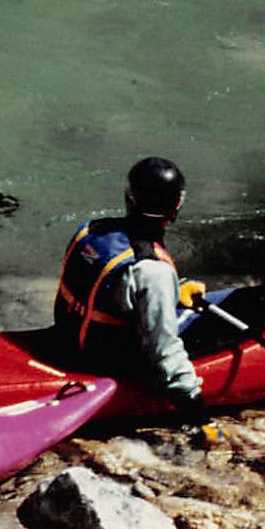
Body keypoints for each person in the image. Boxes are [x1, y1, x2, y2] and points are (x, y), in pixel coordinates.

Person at [53, 157, 206, 421]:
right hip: (109, 364)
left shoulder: (91, 230)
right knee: (208, 330)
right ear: (177, 206)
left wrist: (174, 292)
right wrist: (196, 410)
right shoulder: (154, 271)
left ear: (129, 196)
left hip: (66, 342)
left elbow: (110, 293)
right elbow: (165, 350)